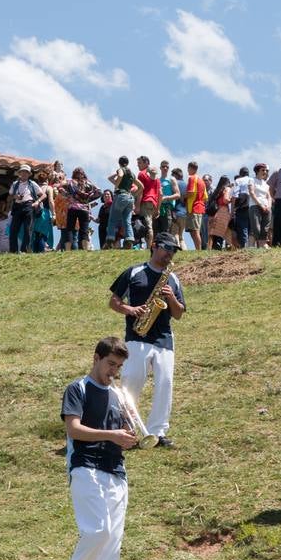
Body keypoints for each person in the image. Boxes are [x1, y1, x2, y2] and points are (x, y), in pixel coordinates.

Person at [60, 335, 139, 560]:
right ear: (96, 358)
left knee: (112, 541)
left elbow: (123, 433)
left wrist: (128, 433)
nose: (113, 372)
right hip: (85, 466)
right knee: (97, 531)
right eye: (110, 364)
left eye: (118, 367)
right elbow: (74, 429)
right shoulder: (77, 388)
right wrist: (111, 435)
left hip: (115, 470)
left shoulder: (118, 395)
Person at [108, 231, 186, 447]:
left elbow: (179, 313)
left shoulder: (173, 278)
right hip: (137, 335)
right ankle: (127, 429)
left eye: (174, 251)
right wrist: (131, 309)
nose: (170, 254)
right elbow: (113, 301)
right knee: (131, 380)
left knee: (165, 383)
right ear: (154, 245)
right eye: (167, 248)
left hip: (164, 339)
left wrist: (170, 297)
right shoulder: (134, 272)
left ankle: (158, 432)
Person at [105, 156, 139, 250]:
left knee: (112, 220)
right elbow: (141, 186)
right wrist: (133, 193)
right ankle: (129, 240)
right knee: (127, 221)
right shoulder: (131, 174)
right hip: (129, 197)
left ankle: (110, 240)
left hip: (120, 196)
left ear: (119, 163)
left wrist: (117, 186)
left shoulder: (121, 170)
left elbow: (119, 175)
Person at [9, 164, 44, 254]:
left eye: (26, 172)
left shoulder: (32, 184)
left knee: (28, 229)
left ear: (29, 174)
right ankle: (13, 250)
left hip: (29, 206)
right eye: (22, 172)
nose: (24, 174)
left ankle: (24, 250)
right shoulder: (14, 184)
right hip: (17, 206)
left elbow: (43, 195)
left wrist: (37, 202)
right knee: (13, 229)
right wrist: (15, 196)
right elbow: (11, 195)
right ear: (19, 173)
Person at [62, 168, 101, 250]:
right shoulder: (88, 183)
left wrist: (68, 196)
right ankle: (86, 249)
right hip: (84, 208)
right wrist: (88, 199)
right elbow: (99, 192)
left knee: (70, 229)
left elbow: (60, 188)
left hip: (73, 207)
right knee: (84, 229)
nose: (79, 174)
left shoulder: (70, 181)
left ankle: (67, 250)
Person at [135, 156, 162, 249]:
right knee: (148, 224)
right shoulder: (157, 178)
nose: (138, 165)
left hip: (145, 202)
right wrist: (158, 209)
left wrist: (137, 206)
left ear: (146, 163)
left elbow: (140, 191)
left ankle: (149, 247)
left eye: (140, 163)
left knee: (147, 225)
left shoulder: (141, 174)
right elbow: (160, 194)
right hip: (153, 203)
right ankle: (148, 246)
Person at [184, 161, 208, 249]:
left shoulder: (192, 178)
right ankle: (198, 249)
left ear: (190, 168)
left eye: (188, 168)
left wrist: (183, 196)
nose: (187, 170)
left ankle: (198, 250)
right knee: (195, 230)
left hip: (193, 208)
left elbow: (190, 192)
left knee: (195, 231)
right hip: (200, 207)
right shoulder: (201, 181)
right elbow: (205, 197)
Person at [248, 163, 272, 247]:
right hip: (255, 205)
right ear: (257, 171)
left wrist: (268, 206)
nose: (265, 172)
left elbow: (269, 197)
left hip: (266, 207)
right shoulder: (252, 180)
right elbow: (252, 193)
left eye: (266, 170)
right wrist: (260, 205)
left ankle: (262, 244)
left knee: (265, 227)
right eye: (263, 170)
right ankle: (260, 244)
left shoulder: (266, 184)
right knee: (256, 227)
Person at [207, 176, 232, 250]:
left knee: (214, 232)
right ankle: (232, 247)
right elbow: (225, 200)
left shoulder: (217, 190)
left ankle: (211, 248)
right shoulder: (227, 189)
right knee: (222, 232)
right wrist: (233, 199)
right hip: (224, 211)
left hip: (215, 212)